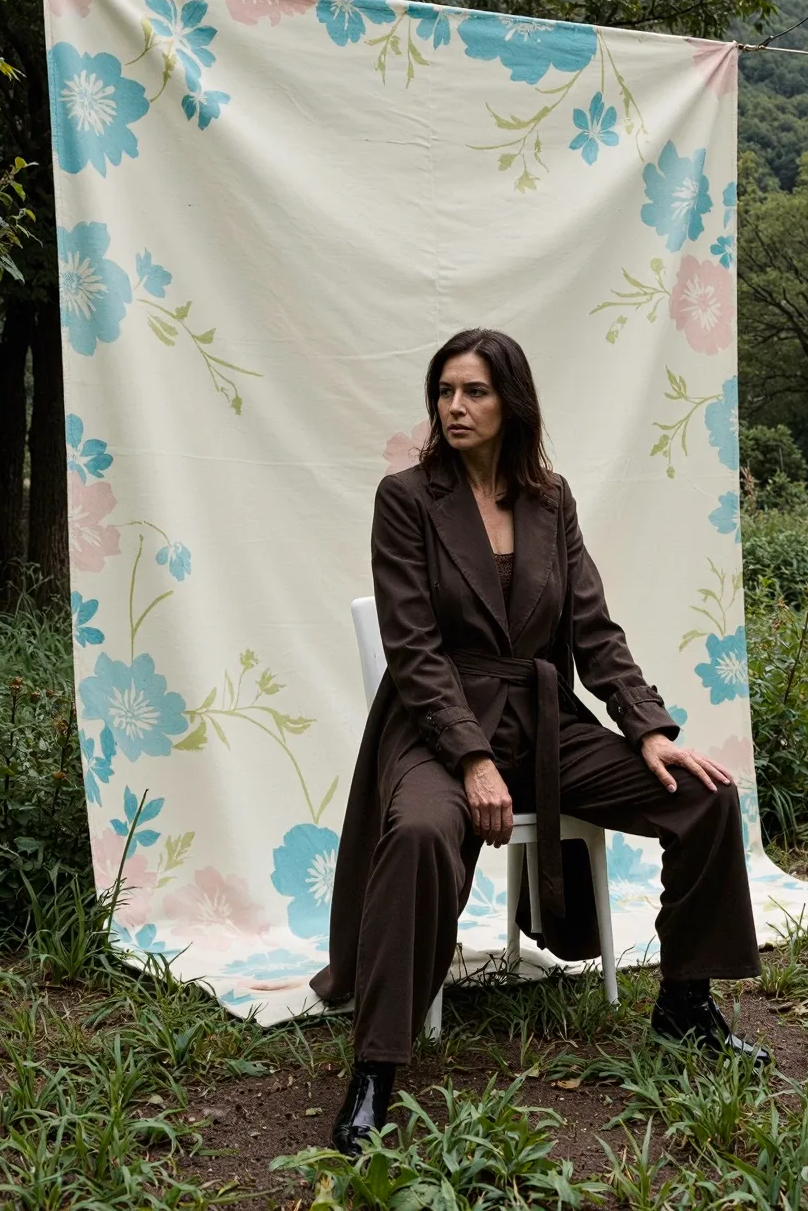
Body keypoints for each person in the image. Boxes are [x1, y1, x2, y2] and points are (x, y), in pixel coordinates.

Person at [310, 328, 767, 1156]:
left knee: (704, 796)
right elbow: (413, 649)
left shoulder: (551, 500)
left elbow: (593, 630)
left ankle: (685, 1004)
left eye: (474, 391)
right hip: (436, 725)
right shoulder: (406, 498)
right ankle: (376, 1069)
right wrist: (472, 759)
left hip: (543, 721)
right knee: (419, 832)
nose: (454, 406)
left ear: (511, 402)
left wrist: (647, 728)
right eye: (444, 391)